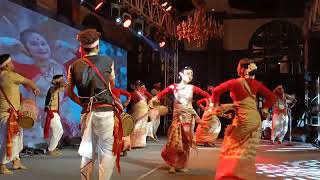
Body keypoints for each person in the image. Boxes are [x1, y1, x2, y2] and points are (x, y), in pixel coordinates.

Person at [67, 29, 122, 180]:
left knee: (87, 151)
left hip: (87, 112)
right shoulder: (108, 61)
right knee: (106, 150)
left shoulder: (73, 66)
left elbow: (68, 93)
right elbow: (111, 86)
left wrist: (84, 103)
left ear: (82, 48)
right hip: (105, 112)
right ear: (97, 46)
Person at [212, 58, 276, 179]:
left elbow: (216, 91)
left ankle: (231, 175)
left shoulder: (234, 82)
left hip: (244, 119)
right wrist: (265, 109)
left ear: (242, 68)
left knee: (230, 147)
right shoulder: (256, 84)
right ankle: (241, 175)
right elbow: (272, 97)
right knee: (246, 150)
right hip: (255, 119)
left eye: (238, 66)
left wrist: (215, 106)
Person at [150, 66, 210, 173]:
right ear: (181, 74)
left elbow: (206, 95)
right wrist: (153, 100)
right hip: (177, 118)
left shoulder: (192, 88)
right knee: (174, 141)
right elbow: (160, 94)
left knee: (186, 142)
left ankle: (183, 164)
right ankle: (172, 165)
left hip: (188, 118)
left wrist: (211, 102)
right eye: (188, 73)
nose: (190, 76)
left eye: (191, 74)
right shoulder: (174, 87)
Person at [0, 54, 40, 175]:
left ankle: (16, 161)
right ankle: (2, 165)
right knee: (10, 138)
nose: (13, 65)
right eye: (11, 63)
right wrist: (35, 89)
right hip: (8, 114)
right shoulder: (10, 75)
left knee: (17, 137)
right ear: (6, 65)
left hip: (9, 113)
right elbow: (29, 81)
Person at [44, 75, 66, 156]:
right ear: (56, 80)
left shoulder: (56, 88)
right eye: (61, 79)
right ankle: (51, 150)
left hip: (54, 113)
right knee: (58, 131)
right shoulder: (52, 88)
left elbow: (63, 87)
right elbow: (58, 88)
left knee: (58, 131)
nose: (63, 80)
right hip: (51, 113)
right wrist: (58, 83)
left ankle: (52, 148)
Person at [129, 80, 153, 148]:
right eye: (136, 85)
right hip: (137, 112)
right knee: (136, 126)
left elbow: (151, 97)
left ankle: (141, 143)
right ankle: (134, 143)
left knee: (143, 127)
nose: (138, 86)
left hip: (144, 113)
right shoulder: (133, 93)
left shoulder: (142, 94)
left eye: (139, 85)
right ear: (133, 86)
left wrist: (144, 91)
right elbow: (131, 103)